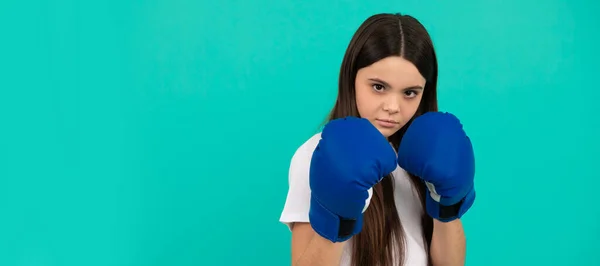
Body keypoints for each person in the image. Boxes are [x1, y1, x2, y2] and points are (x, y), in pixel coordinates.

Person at [279, 13, 476, 266]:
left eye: (409, 92)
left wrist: (447, 207)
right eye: (379, 87)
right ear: (352, 79)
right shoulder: (315, 156)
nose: (393, 107)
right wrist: (335, 222)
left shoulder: (426, 155)